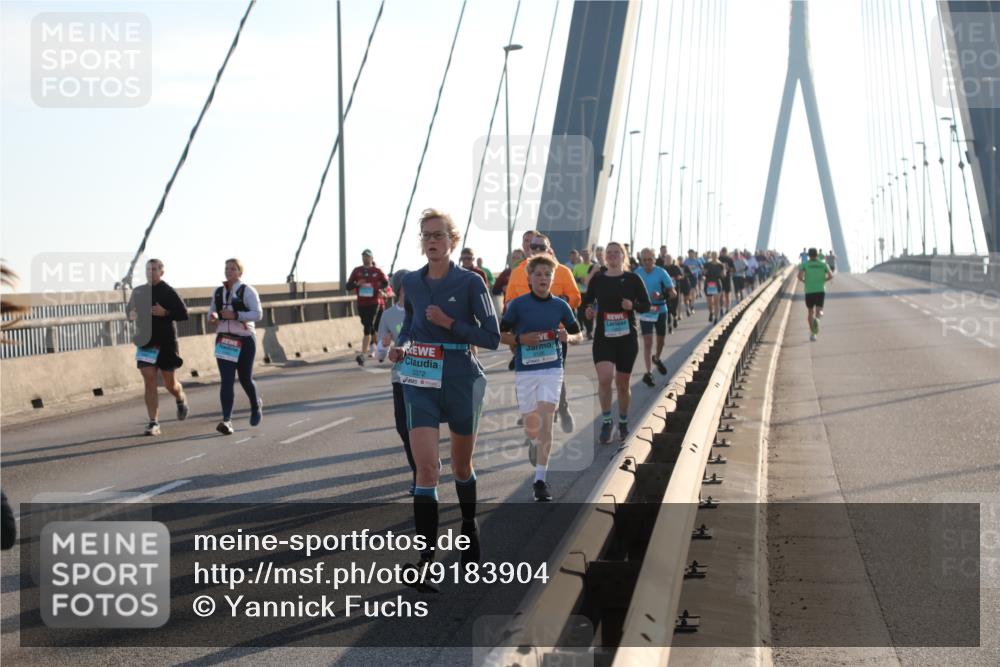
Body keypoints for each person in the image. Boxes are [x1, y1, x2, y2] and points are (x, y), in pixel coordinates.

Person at [389, 208, 500, 586]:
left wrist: (450, 323)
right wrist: (401, 346)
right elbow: (410, 326)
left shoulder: (471, 283)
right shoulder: (413, 284)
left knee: (460, 468)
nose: (432, 241)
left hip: (460, 377)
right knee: (426, 469)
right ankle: (425, 561)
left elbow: (492, 338)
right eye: (426, 235)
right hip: (419, 377)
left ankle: (468, 527)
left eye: (438, 235)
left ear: (452, 241)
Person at [500, 254, 583, 501]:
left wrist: (569, 337)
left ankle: (540, 481)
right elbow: (499, 334)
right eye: (538, 274)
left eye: (548, 274)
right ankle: (534, 443)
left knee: (547, 419)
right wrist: (519, 340)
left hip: (552, 369)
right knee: (532, 427)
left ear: (552, 278)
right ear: (530, 278)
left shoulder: (560, 306)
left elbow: (579, 335)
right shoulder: (517, 305)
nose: (543, 278)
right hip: (526, 371)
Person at [505, 233, 582, 432]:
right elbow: (508, 302)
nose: (536, 249)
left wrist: (558, 302)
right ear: (526, 249)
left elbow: (575, 298)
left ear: (549, 248)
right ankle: (529, 416)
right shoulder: (517, 272)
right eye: (532, 246)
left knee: (555, 374)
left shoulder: (562, 271)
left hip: (554, 335)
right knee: (524, 375)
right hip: (525, 338)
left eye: (541, 246)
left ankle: (561, 407)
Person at [583, 242, 650, 444]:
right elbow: (588, 301)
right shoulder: (598, 280)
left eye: (616, 253)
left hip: (627, 339)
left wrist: (633, 305)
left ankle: (622, 421)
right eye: (609, 253)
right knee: (605, 379)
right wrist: (588, 310)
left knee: (622, 384)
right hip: (604, 337)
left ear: (624, 256)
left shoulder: (633, 279)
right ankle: (606, 421)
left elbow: (646, 306)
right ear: (605, 258)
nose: (612, 256)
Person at [127, 258, 190, 436]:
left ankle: (179, 396)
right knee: (149, 380)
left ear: (161, 272)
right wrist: (131, 314)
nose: (150, 272)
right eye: (148, 269)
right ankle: (153, 422)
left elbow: (184, 314)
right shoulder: (138, 291)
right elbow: (129, 311)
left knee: (169, 384)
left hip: (166, 343)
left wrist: (166, 313)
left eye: (154, 269)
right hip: (146, 342)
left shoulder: (168, 291)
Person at [208, 258, 263, 435]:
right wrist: (214, 316)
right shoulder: (218, 292)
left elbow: (258, 314)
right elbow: (211, 312)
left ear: (240, 272)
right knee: (227, 380)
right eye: (226, 268)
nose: (229, 271)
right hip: (224, 339)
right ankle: (226, 420)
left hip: (245, 339)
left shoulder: (247, 291)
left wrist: (235, 315)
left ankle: (255, 405)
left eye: (233, 268)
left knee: (245, 378)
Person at [377, 269, 417, 494]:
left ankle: (420, 474)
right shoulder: (388, 315)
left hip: (424, 377)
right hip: (399, 377)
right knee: (403, 427)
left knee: (420, 427)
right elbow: (380, 355)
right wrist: (383, 345)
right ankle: (421, 467)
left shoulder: (424, 310)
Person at [636, 248, 676, 387]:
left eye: (649, 259)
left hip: (660, 310)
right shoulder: (637, 273)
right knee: (647, 342)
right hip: (646, 311)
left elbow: (673, 293)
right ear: (641, 260)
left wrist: (663, 295)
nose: (647, 262)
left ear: (654, 259)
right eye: (644, 260)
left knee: (661, 341)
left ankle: (657, 358)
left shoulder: (661, 272)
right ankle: (649, 373)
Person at [345, 249, 389, 366]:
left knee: (368, 327)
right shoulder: (357, 271)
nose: (365, 258)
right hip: (361, 303)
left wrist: (379, 289)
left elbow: (386, 282)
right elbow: (348, 286)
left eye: (367, 256)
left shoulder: (377, 271)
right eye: (363, 256)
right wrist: (357, 284)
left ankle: (363, 355)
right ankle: (380, 349)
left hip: (374, 302)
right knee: (368, 326)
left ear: (372, 258)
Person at [798, 247, 833, 341]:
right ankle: (818, 319)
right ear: (817, 254)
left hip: (809, 291)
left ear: (808, 255)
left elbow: (799, 276)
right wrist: (823, 280)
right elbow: (831, 275)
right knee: (819, 311)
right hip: (820, 290)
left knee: (810, 312)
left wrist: (805, 281)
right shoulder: (823, 264)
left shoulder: (804, 264)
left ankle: (813, 333)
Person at [573, 249, 596, 339]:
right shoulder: (577, 267)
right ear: (581, 256)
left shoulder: (593, 267)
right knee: (580, 313)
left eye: (588, 254)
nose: (586, 256)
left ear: (590, 255)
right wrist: (579, 279)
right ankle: (582, 326)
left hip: (591, 293)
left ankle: (589, 332)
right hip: (580, 293)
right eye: (584, 254)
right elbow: (573, 278)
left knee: (590, 312)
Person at [662, 254, 685, 332]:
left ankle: (675, 317)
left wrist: (677, 277)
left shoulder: (676, 267)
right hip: (666, 291)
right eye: (666, 259)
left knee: (674, 307)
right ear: (664, 260)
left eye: (669, 259)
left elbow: (681, 276)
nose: (668, 260)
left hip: (675, 289)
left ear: (672, 260)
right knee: (668, 308)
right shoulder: (662, 269)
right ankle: (669, 326)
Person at [703, 251, 726, 323]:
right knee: (710, 303)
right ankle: (711, 312)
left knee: (716, 302)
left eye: (715, 255)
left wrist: (724, 272)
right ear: (711, 256)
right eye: (712, 255)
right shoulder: (707, 264)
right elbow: (704, 273)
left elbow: (723, 275)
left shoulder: (720, 265)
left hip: (717, 283)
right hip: (709, 283)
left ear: (717, 256)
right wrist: (704, 272)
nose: (714, 256)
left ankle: (716, 318)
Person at [719, 247, 735, 315]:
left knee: (727, 294)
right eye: (723, 252)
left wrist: (728, 268)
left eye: (725, 252)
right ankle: (721, 308)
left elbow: (733, 269)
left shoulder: (729, 259)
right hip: (720, 278)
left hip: (727, 278)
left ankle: (728, 308)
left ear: (727, 252)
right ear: (721, 252)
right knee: (720, 294)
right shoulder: (718, 259)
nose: (724, 253)